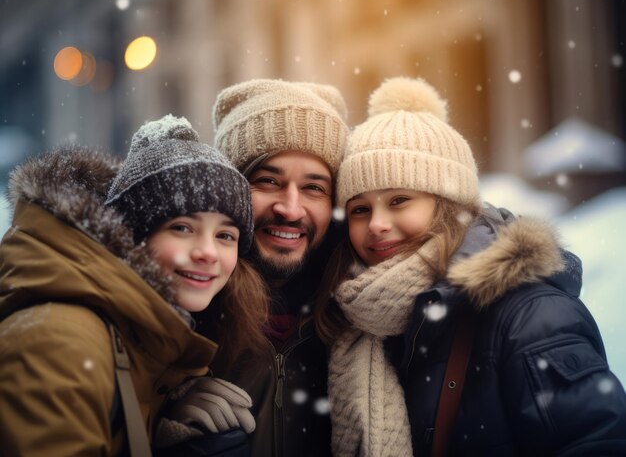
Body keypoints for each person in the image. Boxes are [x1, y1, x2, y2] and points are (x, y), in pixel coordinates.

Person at [316, 77, 626, 456]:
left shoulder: (530, 316)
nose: (377, 223)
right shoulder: (358, 321)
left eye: (398, 200)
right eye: (360, 209)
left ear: (448, 205)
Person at [0, 114, 267, 455]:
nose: (208, 253)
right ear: (132, 236)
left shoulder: (148, 335)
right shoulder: (58, 341)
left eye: (225, 235)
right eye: (182, 228)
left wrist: (161, 416)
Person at [198, 78, 350, 457]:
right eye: (268, 181)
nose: (291, 208)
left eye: (314, 187)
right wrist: (163, 414)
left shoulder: (362, 319)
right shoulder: (185, 316)